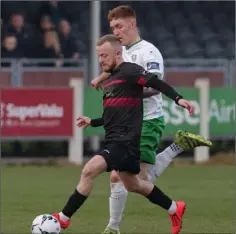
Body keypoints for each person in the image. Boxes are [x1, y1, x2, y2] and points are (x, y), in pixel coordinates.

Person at [52, 34, 198, 234]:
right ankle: (175, 208)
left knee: (88, 171)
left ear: (118, 53)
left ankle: (63, 219)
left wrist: (179, 99)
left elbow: (157, 83)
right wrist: (92, 121)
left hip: (124, 143)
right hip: (116, 141)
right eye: (99, 56)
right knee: (135, 185)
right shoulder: (112, 80)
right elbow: (112, 116)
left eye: (104, 55)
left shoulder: (131, 71)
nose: (101, 60)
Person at [90, 6, 212, 234]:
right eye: (112, 28)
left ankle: (113, 228)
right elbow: (120, 73)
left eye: (119, 26)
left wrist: (126, 93)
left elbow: (155, 86)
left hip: (147, 121)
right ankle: (114, 227)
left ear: (132, 24)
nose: (115, 32)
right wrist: (100, 77)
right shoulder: (121, 53)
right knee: (125, 178)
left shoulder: (149, 52)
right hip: (127, 123)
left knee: (130, 177)